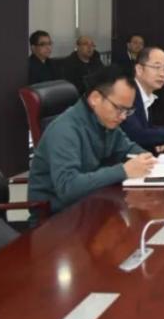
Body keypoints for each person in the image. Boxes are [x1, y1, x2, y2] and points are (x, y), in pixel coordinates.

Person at [28, 65, 156, 217]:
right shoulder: (64, 130)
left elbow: (128, 149)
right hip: (56, 218)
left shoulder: (105, 122)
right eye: (119, 108)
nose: (123, 117)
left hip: (92, 205)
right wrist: (123, 171)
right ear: (95, 98)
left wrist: (150, 161)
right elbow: (68, 187)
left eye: (127, 111)